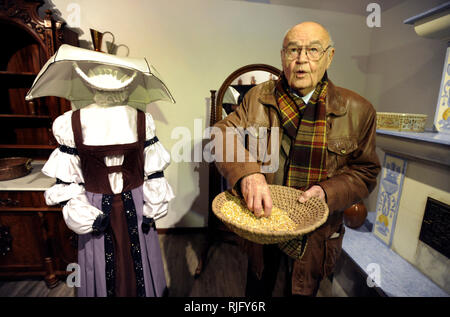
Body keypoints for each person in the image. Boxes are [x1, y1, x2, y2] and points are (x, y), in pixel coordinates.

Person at [213, 21, 381, 296]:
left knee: (301, 292)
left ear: (330, 56)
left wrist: (326, 192)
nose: (302, 59)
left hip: (316, 236)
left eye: (313, 50)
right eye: (293, 50)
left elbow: (365, 171)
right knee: (257, 290)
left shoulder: (359, 110)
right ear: (282, 56)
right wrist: (248, 173)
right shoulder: (257, 97)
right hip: (263, 223)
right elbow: (221, 133)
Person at [35, 51, 175, 297]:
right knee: (130, 261)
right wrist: (88, 217)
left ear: (88, 84)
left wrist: (85, 213)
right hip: (126, 205)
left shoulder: (74, 122)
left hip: (101, 204)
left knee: (106, 265)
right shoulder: (139, 119)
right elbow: (153, 174)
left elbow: (70, 181)